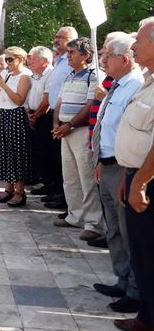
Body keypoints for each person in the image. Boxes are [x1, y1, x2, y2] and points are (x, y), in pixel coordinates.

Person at [91, 35, 143, 314]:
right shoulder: (118, 84)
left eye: (107, 56)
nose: (103, 61)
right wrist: (100, 158)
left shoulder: (137, 85)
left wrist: (125, 172)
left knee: (126, 230)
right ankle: (122, 281)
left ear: (124, 59)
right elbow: (109, 127)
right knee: (114, 230)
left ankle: (135, 290)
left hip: (123, 168)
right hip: (107, 163)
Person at [114, 17, 154, 331]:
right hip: (134, 176)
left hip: (148, 182)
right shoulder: (148, 83)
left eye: (139, 41)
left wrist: (139, 181)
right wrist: (128, 178)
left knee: (149, 250)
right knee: (141, 251)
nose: (135, 46)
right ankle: (146, 315)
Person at [52, 37, 105, 241]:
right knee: (70, 177)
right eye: (68, 52)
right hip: (65, 132)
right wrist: (56, 124)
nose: (68, 56)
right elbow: (60, 102)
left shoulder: (94, 76)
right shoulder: (69, 76)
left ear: (85, 55)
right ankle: (75, 215)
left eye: (72, 52)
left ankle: (93, 222)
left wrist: (70, 124)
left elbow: (91, 104)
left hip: (80, 131)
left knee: (86, 178)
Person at [37, 26, 78, 210]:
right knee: (53, 156)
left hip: (68, 117)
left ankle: (63, 196)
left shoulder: (70, 63)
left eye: (61, 37)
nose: (56, 39)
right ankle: (53, 189)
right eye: (56, 36)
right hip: (54, 113)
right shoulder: (60, 62)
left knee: (63, 161)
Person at [0, 47, 32, 207]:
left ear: (20, 59)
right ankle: (8, 188)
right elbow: (0, 95)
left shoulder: (25, 76)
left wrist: (4, 86)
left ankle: (20, 191)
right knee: (5, 152)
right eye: (6, 59)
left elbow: (18, 100)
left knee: (18, 153)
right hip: (4, 114)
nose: (7, 63)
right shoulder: (6, 74)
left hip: (17, 115)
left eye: (10, 59)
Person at [26, 47, 54, 186]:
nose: (30, 62)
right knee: (36, 149)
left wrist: (35, 116)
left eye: (34, 59)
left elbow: (46, 101)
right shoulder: (35, 75)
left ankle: (47, 182)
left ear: (44, 61)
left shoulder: (50, 75)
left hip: (44, 116)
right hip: (33, 114)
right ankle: (38, 178)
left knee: (45, 151)